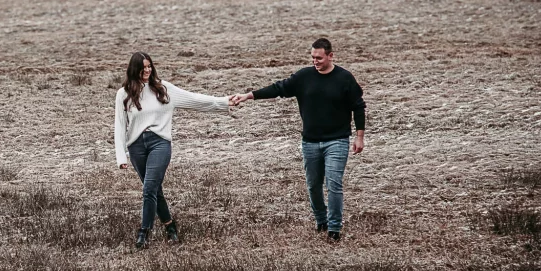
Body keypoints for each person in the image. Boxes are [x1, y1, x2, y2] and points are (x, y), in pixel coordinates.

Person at [231, 38, 365, 241]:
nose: (315, 61)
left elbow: (358, 106)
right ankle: (321, 220)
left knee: (334, 183)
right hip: (310, 142)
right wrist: (248, 95)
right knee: (313, 185)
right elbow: (278, 88)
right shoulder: (304, 76)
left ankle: (334, 229)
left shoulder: (345, 78)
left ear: (330, 55)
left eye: (319, 58)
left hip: (337, 140)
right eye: (312, 57)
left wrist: (359, 137)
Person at [115, 51, 232, 249]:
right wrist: (121, 156)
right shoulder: (123, 94)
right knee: (154, 189)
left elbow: (195, 100)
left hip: (159, 143)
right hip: (136, 147)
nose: (147, 70)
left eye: (149, 66)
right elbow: (119, 126)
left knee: (149, 188)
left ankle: (144, 232)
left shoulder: (164, 88)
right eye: (143, 67)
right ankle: (170, 226)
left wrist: (225, 102)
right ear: (135, 69)